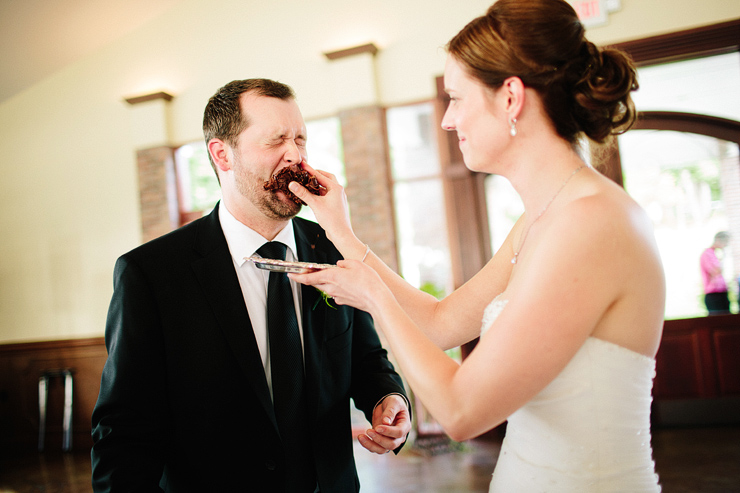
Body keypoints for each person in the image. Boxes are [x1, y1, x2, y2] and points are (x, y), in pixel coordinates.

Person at [287, 0, 665, 491]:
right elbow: (439, 324)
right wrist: (341, 231)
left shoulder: (591, 223)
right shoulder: (542, 217)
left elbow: (461, 412)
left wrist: (374, 297)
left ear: (510, 98)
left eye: (457, 98)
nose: (447, 120)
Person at [91, 78, 411, 493]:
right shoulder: (151, 273)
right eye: (276, 140)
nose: (295, 156)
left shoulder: (331, 245)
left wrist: (388, 399)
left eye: (300, 139)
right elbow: (125, 430)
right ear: (222, 154)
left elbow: (365, 358)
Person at [700, 231, 731, 314]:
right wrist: (723, 257)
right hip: (713, 295)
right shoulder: (707, 254)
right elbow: (715, 272)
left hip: (722, 293)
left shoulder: (715, 253)